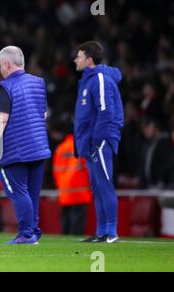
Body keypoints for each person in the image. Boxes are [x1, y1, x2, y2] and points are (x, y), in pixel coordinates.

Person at [0, 46, 51, 245]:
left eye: (0, 65)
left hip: (14, 152)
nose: (0, 69)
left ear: (6, 64)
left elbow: (0, 120)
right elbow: (44, 114)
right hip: (38, 149)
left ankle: (26, 234)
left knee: (19, 193)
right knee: (32, 194)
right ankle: (33, 231)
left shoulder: (5, 87)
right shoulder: (38, 83)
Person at [74, 41, 124, 244]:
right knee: (96, 187)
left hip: (100, 140)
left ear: (89, 60)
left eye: (79, 56)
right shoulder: (86, 81)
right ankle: (101, 231)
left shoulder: (100, 79)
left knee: (105, 185)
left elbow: (106, 112)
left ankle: (111, 231)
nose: (75, 59)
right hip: (91, 141)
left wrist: (97, 140)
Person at [53, 130, 92, 235]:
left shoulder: (60, 148)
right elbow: (88, 169)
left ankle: (64, 239)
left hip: (64, 190)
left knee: (65, 220)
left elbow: (55, 170)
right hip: (80, 190)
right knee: (77, 223)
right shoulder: (81, 147)